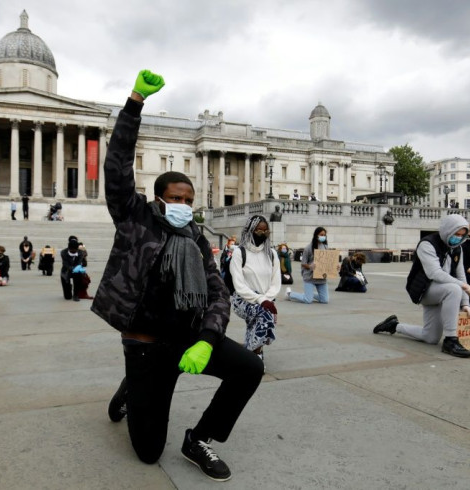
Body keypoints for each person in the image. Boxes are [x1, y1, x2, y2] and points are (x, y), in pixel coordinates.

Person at [93, 71, 263, 482]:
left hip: (187, 340)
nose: (184, 205)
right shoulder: (135, 221)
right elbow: (116, 168)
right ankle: (131, 388)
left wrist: (207, 340)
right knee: (149, 453)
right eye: (175, 199)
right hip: (148, 347)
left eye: (188, 200)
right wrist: (134, 102)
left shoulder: (196, 239)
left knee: (249, 368)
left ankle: (200, 438)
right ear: (158, 200)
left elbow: (218, 293)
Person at [372, 214, 470, 358]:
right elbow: (434, 273)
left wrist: (465, 304)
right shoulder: (427, 244)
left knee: (430, 338)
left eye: (461, 235)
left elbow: (460, 274)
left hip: (442, 291)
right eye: (456, 234)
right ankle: (451, 340)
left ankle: (394, 325)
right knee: (454, 289)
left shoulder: (457, 248)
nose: (458, 238)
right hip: (424, 289)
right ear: (447, 230)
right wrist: (463, 286)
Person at [230, 215, 281, 362]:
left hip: (266, 300)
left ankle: (249, 354)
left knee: (257, 324)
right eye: (259, 230)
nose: (263, 234)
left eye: (266, 231)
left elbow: (275, 283)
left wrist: (266, 299)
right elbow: (239, 285)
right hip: (243, 300)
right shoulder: (240, 252)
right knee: (265, 317)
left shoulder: (271, 254)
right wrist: (260, 300)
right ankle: (255, 356)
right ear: (250, 230)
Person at [286, 226, 331, 304]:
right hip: (310, 277)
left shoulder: (326, 247)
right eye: (321, 235)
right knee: (308, 300)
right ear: (316, 235)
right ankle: (290, 294)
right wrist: (310, 266)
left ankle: (309, 294)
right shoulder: (308, 248)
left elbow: (328, 262)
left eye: (324, 235)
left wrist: (334, 266)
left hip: (321, 278)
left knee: (325, 300)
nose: (323, 237)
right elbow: (303, 263)